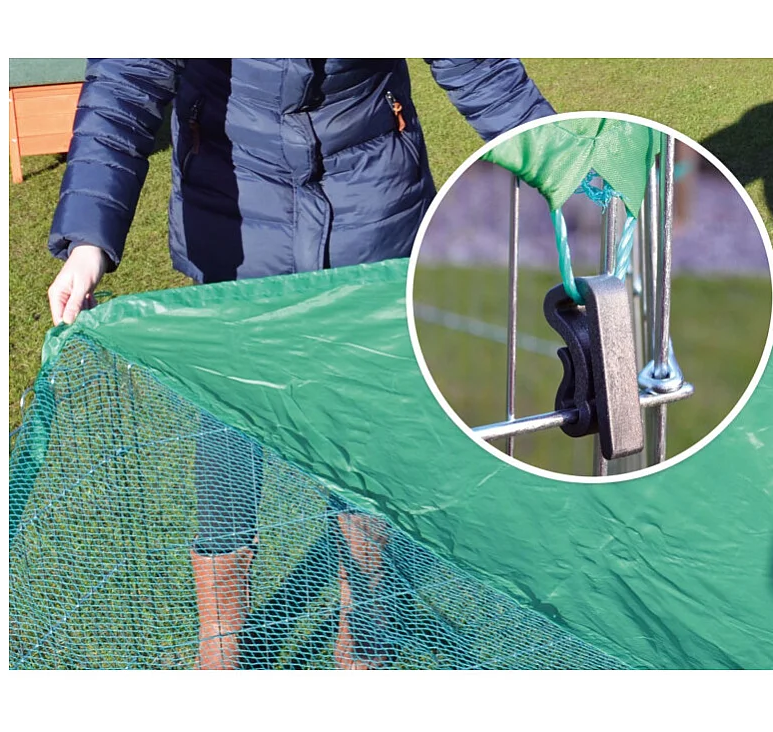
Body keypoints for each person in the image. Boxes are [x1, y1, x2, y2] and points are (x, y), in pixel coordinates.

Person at [46, 58, 554, 669]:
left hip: (371, 210)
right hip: (233, 223)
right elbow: (124, 82)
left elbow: (481, 69)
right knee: (228, 436)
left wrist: (565, 167)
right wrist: (87, 240)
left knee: (365, 435)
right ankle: (222, 646)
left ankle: (364, 628)